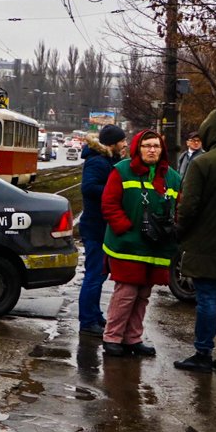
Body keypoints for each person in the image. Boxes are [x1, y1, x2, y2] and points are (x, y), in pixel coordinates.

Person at [100, 129, 181, 357]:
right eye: (147, 146)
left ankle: (132, 338)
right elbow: (109, 204)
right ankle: (112, 337)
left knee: (144, 294)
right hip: (127, 245)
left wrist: (173, 230)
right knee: (126, 292)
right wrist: (124, 229)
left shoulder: (172, 177)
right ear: (138, 148)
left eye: (156, 146)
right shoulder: (122, 171)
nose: (152, 150)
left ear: (161, 149)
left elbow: (179, 209)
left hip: (156, 247)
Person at [173, 108, 216, 374]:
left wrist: (179, 232)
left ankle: (203, 353)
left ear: (209, 131)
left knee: (207, 301)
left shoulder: (203, 162)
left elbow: (188, 207)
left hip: (204, 247)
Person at [77, 124, 128, 337]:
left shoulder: (108, 160)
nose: (125, 145)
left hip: (101, 227)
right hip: (95, 226)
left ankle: (95, 315)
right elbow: (88, 188)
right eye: (122, 141)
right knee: (94, 275)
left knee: (99, 274)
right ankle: (88, 321)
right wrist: (115, 191)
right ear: (112, 143)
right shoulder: (98, 162)